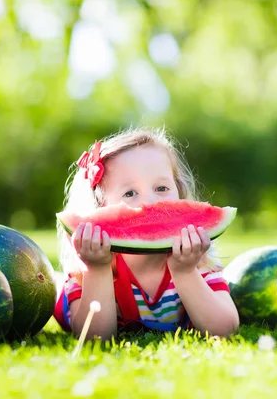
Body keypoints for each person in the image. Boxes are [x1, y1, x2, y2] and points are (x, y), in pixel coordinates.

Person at [53, 127, 239, 340]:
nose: (149, 202)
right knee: (51, 288)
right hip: (76, 291)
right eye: (130, 193)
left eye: (161, 188)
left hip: (187, 267)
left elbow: (225, 330)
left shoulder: (198, 259)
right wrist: (97, 269)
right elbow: (94, 338)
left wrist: (185, 272)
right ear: (100, 207)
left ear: (179, 191)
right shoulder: (88, 265)